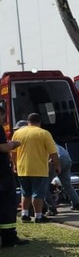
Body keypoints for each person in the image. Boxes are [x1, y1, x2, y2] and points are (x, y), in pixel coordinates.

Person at [11, 113, 60, 223]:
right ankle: (38, 216)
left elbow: (13, 153)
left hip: (22, 168)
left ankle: (25, 214)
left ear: (28, 122)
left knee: (25, 193)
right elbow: (53, 153)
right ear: (40, 122)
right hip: (39, 169)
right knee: (37, 193)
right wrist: (57, 165)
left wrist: (15, 165)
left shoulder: (18, 133)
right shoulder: (44, 133)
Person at [0, 100, 29, 247]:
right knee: (7, 205)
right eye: (3, 116)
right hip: (2, 176)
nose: (4, 119)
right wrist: (14, 144)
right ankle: (9, 238)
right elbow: (4, 147)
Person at [48, 144, 79, 214]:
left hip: (57, 159)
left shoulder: (43, 142)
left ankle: (51, 208)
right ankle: (77, 203)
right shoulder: (54, 143)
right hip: (67, 159)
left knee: (44, 185)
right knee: (67, 184)